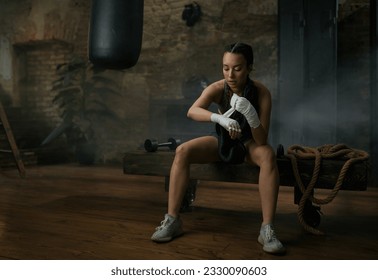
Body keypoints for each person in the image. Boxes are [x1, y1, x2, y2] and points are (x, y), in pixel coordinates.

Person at [151, 42, 285, 255]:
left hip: (250, 143)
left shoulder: (261, 93)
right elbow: (192, 111)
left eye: (237, 68)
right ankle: (173, 220)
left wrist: (250, 114)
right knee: (182, 151)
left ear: (250, 67)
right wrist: (219, 118)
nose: (230, 74)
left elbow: (261, 139)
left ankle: (266, 229)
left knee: (267, 154)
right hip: (223, 139)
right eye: (225, 68)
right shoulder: (217, 88)